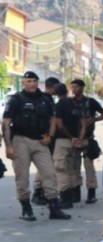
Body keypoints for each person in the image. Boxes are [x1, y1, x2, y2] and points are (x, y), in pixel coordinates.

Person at [2, 71, 70, 221]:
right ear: (24, 82)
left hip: (41, 141)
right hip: (21, 140)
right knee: (22, 176)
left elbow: (53, 119)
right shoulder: (16, 100)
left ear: (38, 82)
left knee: (50, 174)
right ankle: (26, 209)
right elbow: (6, 122)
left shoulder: (46, 99)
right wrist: (8, 146)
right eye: (28, 81)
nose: (31, 84)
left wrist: (50, 137)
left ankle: (54, 208)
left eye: (34, 81)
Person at [71, 79, 103, 204]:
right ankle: (76, 192)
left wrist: (94, 119)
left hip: (88, 139)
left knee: (89, 166)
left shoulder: (90, 102)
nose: (74, 89)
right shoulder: (70, 102)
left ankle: (91, 193)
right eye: (72, 87)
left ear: (82, 88)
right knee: (74, 166)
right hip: (74, 138)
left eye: (76, 87)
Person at [51, 83, 85, 209]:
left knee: (60, 169)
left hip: (63, 140)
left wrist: (70, 137)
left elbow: (59, 124)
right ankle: (73, 195)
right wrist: (79, 138)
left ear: (56, 92)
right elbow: (83, 123)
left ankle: (65, 199)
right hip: (75, 142)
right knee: (72, 168)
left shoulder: (59, 105)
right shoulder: (75, 103)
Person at [30, 75, 60, 206]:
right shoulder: (45, 100)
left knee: (46, 166)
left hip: (45, 136)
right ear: (53, 87)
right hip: (44, 137)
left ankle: (41, 192)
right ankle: (38, 192)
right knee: (44, 166)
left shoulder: (45, 99)